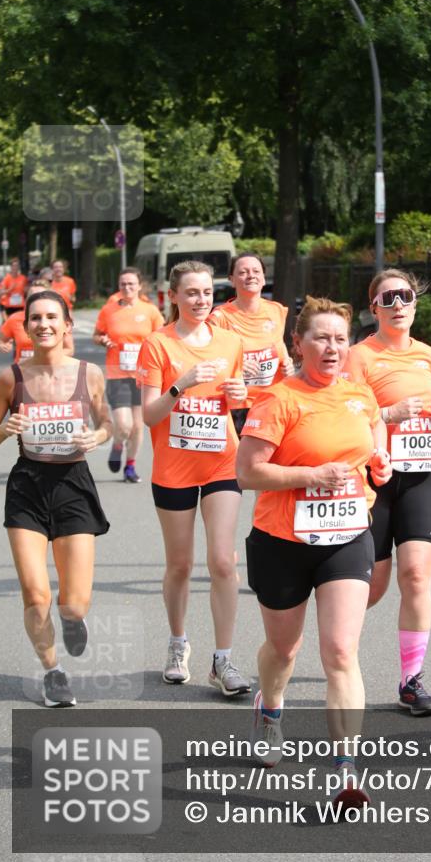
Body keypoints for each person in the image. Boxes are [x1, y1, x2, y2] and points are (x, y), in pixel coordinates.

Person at [236, 296, 392, 804]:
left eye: (341, 338)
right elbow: (247, 472)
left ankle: (347, 771)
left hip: (346, 537)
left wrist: (380, 464)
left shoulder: (360, 394)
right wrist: (310, 475)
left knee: (342, 651)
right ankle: (271, 706)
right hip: (282, 542)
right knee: (283, 650)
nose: (332, 347)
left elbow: (374, 439)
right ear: (298, 344)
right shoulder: (278, 399)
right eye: (321, 338)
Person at [345, 269, 431, 717]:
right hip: (374, 481)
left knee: (415, 575)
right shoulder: (359, 356)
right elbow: (346, 416)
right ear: (373, 307)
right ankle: (341, 657)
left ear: (415, 304)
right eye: (387, 297)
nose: (398, 303)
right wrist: (388, 412)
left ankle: (411, 681)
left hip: (420, 476)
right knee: (370, 587)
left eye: (405, 296)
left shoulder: (428, 355)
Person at [0, 289, 112, 707]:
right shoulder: (12, 378)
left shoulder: (88, 373)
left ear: (66, 325)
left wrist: (94, 437)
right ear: (26, 327)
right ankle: (53, 671)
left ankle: (72, 618)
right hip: (27, 485)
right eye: (35, 318)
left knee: (74, 603)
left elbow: (106, 422)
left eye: (51, 318)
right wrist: (6, 430)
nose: (43, 324)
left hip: (74, 485)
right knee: (36, 594)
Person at [137, 260, 251, 695]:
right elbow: (149, 415)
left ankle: (223, 659)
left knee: (223, 561)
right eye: (191, 293)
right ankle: (177, 642)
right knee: (180, 565)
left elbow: (239, 398)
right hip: (174, 470)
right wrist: (179, 385)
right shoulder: (157, 345)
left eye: (206, 292)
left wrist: (241, 397)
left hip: (223, 461)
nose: (200, 300)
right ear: (174, 297)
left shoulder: (229, 341)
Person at [209, 253, 293, 435]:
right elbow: (206, 357)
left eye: (256, 271)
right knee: (243, 462)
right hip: (240, 405)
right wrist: (236, 364)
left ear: (263, 278)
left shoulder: (276, 310)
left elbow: (279, 343)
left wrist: (288, 364)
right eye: (243, 272)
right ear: (232, 280)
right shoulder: (219, 318)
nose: (251, 276)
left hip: (274, 401)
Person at [93, 268, 164, 483]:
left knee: (137, 425)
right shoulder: (108, 310)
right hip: (117, 374)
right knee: (123, 425)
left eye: (131, 284)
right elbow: (97, 334)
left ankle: (130, 466)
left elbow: (162, 337)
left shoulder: (150, 311)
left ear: (139, 286)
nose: (127, 288)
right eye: (123, 284)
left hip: (143, 376)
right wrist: (102, 340)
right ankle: (117, 445)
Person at [0, 281, 75, 362]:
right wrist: (1, 345)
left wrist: (42, 359)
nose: (36, 300)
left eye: (40, 296)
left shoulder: (58, 319)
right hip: (23, 371)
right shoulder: (15, 318)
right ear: (26, 299)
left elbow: (69, 349)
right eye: (32, 296)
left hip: (50, 370)